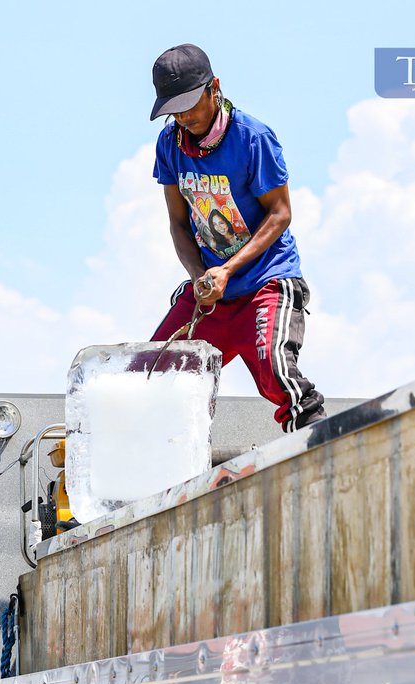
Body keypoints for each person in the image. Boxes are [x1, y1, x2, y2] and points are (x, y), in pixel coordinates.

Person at [150, 44, 326, 432]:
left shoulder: (253, 138)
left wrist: (227, 269)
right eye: (174, 109)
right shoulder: (170, 145)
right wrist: (200, 276)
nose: (184, 116)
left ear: (214, 88)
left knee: (273, 368)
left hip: (266, 281)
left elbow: (280, 213)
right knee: (150, 375)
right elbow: (179, 224)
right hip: (213, 293)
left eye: (191, 104)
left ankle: (316, 436)